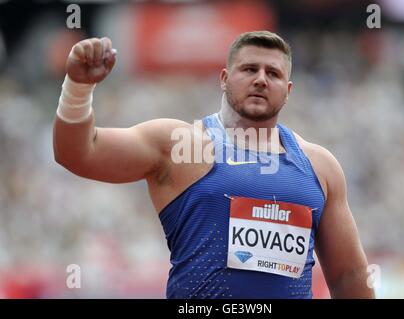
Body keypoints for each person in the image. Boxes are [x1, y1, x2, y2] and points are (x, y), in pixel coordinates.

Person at [53, 31, 375, 299]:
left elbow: (349, 276)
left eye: (273, 73)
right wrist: (78, 88)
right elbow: (78, 153)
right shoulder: (178, 145)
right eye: (249, 69)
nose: (261, 80)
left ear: (288, 91)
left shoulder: (319, 167)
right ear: (224, 78)